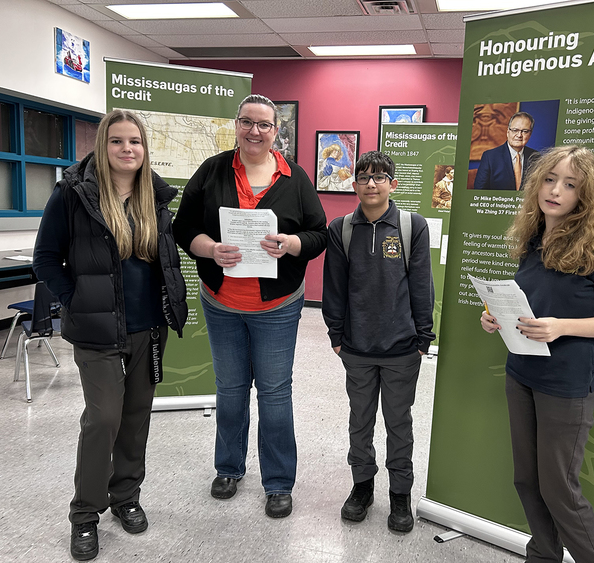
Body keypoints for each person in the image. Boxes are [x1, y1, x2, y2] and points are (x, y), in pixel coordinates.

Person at [480, 146, 594, 563]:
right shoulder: (533, 237)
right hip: (522, 374)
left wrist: (562, 328)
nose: (556, 191)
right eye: (550, 179)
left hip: (567, 385)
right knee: (528, 481)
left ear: (585, 195)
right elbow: (533, 302)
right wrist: (496, 316)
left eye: (570, 184)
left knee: (560, 489)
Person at [33, 109, 188, 561]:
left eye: (135, 142)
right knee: (103, 419)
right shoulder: (72, 195)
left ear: (145, 150)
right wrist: (75, 298)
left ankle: (126, 496)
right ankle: (85, 514)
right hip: (98, 330)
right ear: (103, 145)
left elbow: (163, 261)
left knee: (136, 416)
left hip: (147, 328)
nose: (127, 149)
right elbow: (45, 258)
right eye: (117, 141)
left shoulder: (155, 198)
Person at [172, 94, 327, 519]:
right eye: (247, 122)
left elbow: (319, 235)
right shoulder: (213, 170)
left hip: (276, 306)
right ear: (236, 125)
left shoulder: (294, 178)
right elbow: (183, 226)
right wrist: (208, 248)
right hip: (221, 301)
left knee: (275, 393)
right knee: (231, 389)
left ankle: (278, 482)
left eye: (264, 124)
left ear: (277, 131)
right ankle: (228, 468)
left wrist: (291, 243)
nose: (254, 131)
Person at [322, 151, 435, 533]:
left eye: (380, 176)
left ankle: (400, 495)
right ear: (353, 184)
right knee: (360, 421)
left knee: (399, 424)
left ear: (392, 184)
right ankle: (362, 487)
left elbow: (422, 285)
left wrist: (423, 337)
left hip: (403, 348)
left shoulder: (411, 226)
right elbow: (334, 287)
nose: (371, 183)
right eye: (364, 176)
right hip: (356, 347)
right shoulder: (341, 228)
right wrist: (336, 335)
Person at [474, 111, 538, 191]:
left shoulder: (536, 157)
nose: (519, 135)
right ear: (508, 132)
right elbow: (478, 191)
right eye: (515, 130)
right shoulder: (490, 157)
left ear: (530, 134)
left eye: (525, 131)